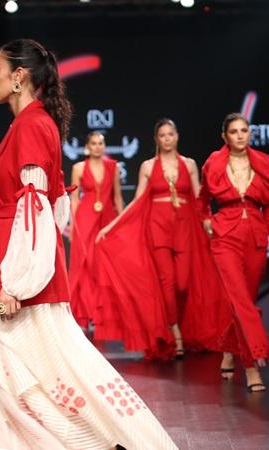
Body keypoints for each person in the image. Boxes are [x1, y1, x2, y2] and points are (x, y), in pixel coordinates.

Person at [0, 38, 177, 449]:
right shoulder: (29, 125)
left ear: (18, 77)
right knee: (17, 378)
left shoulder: (33, 127)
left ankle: (120, 441)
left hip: (14, 274)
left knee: (39, 378)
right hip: (8, 263)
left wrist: (16, 283)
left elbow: (38, 209)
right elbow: (52, 207)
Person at [96, 118, 235, 360]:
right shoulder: (148, 166)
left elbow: (199, 197)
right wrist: (112, 225)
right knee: (167, 281)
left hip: (184, 228)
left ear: (177, 136)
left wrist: (210, 222)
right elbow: (137, 201)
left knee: (182, 283)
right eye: (162, 135)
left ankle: (179, 325)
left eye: (171, 134)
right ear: (157, 139)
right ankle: (175, 332)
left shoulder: (189, 164)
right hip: (157, 227)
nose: (167, 139)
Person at [199, 113, 269, 392]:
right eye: (233, 131)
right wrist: (207, 219)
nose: (240, 135)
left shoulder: (264, 164)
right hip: (225, 237)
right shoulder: (214, 163)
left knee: (243, 299)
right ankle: (252, 363)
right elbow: (202, 200)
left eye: (244, 130)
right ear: (225, 136)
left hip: (255, 237)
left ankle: (229, 351)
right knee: (240, 300)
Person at [68, 131, 123, 329]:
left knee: (104, 265)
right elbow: (74, 200)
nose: (97, 146)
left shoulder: (113, 167)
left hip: (106, 217)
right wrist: (73, 226)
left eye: (100, 143)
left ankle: (102, 312)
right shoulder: (78, 168)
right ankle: (86, 311)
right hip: (85, 218)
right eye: (94, 143)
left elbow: (117, 196)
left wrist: (121, 222)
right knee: (87, 264)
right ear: (88, 146)